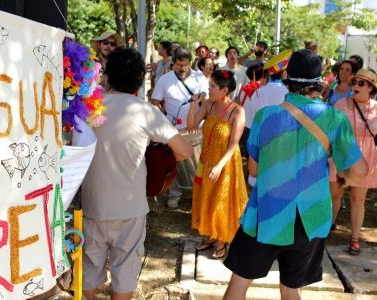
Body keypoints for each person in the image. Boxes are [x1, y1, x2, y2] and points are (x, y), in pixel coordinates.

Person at [223, 49, 368, 300]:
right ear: (320, 80)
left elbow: (254, 170)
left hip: (267, 214)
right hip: (311, 218)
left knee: (239, 283)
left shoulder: (265, 116)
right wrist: (343, 180)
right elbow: (360, 171)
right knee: (291, 290)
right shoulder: (333, 118)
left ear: (287, 75)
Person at [81, 47, 193, 300]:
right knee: (125, 275)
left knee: (88, 271)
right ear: (139, 79)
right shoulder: (143, 110)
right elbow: (184, 151)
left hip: (92, 205)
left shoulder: (88, 108)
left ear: (107, 75)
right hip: (130, 208)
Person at [187, 70, 248, 258]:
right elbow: (192, 127)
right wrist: (192, 106)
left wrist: (220, 165)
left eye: (213, 86)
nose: (209, 89)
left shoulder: (237, 111)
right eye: (209, 85)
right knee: (206, 196)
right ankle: (211, 235)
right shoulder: (208, 104)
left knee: (221, 201)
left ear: (225, 90)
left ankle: (222, 241)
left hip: (225, 163)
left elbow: (233, 144)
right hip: (206, 161)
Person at [151, 47, 208, 208]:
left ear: (190, 63)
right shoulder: (164, 80)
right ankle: (175, 194)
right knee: (175, 161)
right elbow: (155, 103)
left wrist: (201, 97)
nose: (181, 68)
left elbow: (207, 99)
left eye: (184, 65)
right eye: (178, 65)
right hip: (173, 129)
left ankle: (199, 195)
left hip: (196, 128)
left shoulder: (199, 77)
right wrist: (164, 120)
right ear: (173, 63)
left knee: (199, 162)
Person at [329, 69, 377, 255]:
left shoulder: (376, 108)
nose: (356, 86)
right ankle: (328, 227)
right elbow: (331, 128)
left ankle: (354, 239)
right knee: (334, 195)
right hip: (342, 156)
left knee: (358, 199)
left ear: (371, 88)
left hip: (365, 159)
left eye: (361, 83)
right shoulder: (341, 104)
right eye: (355, 82)